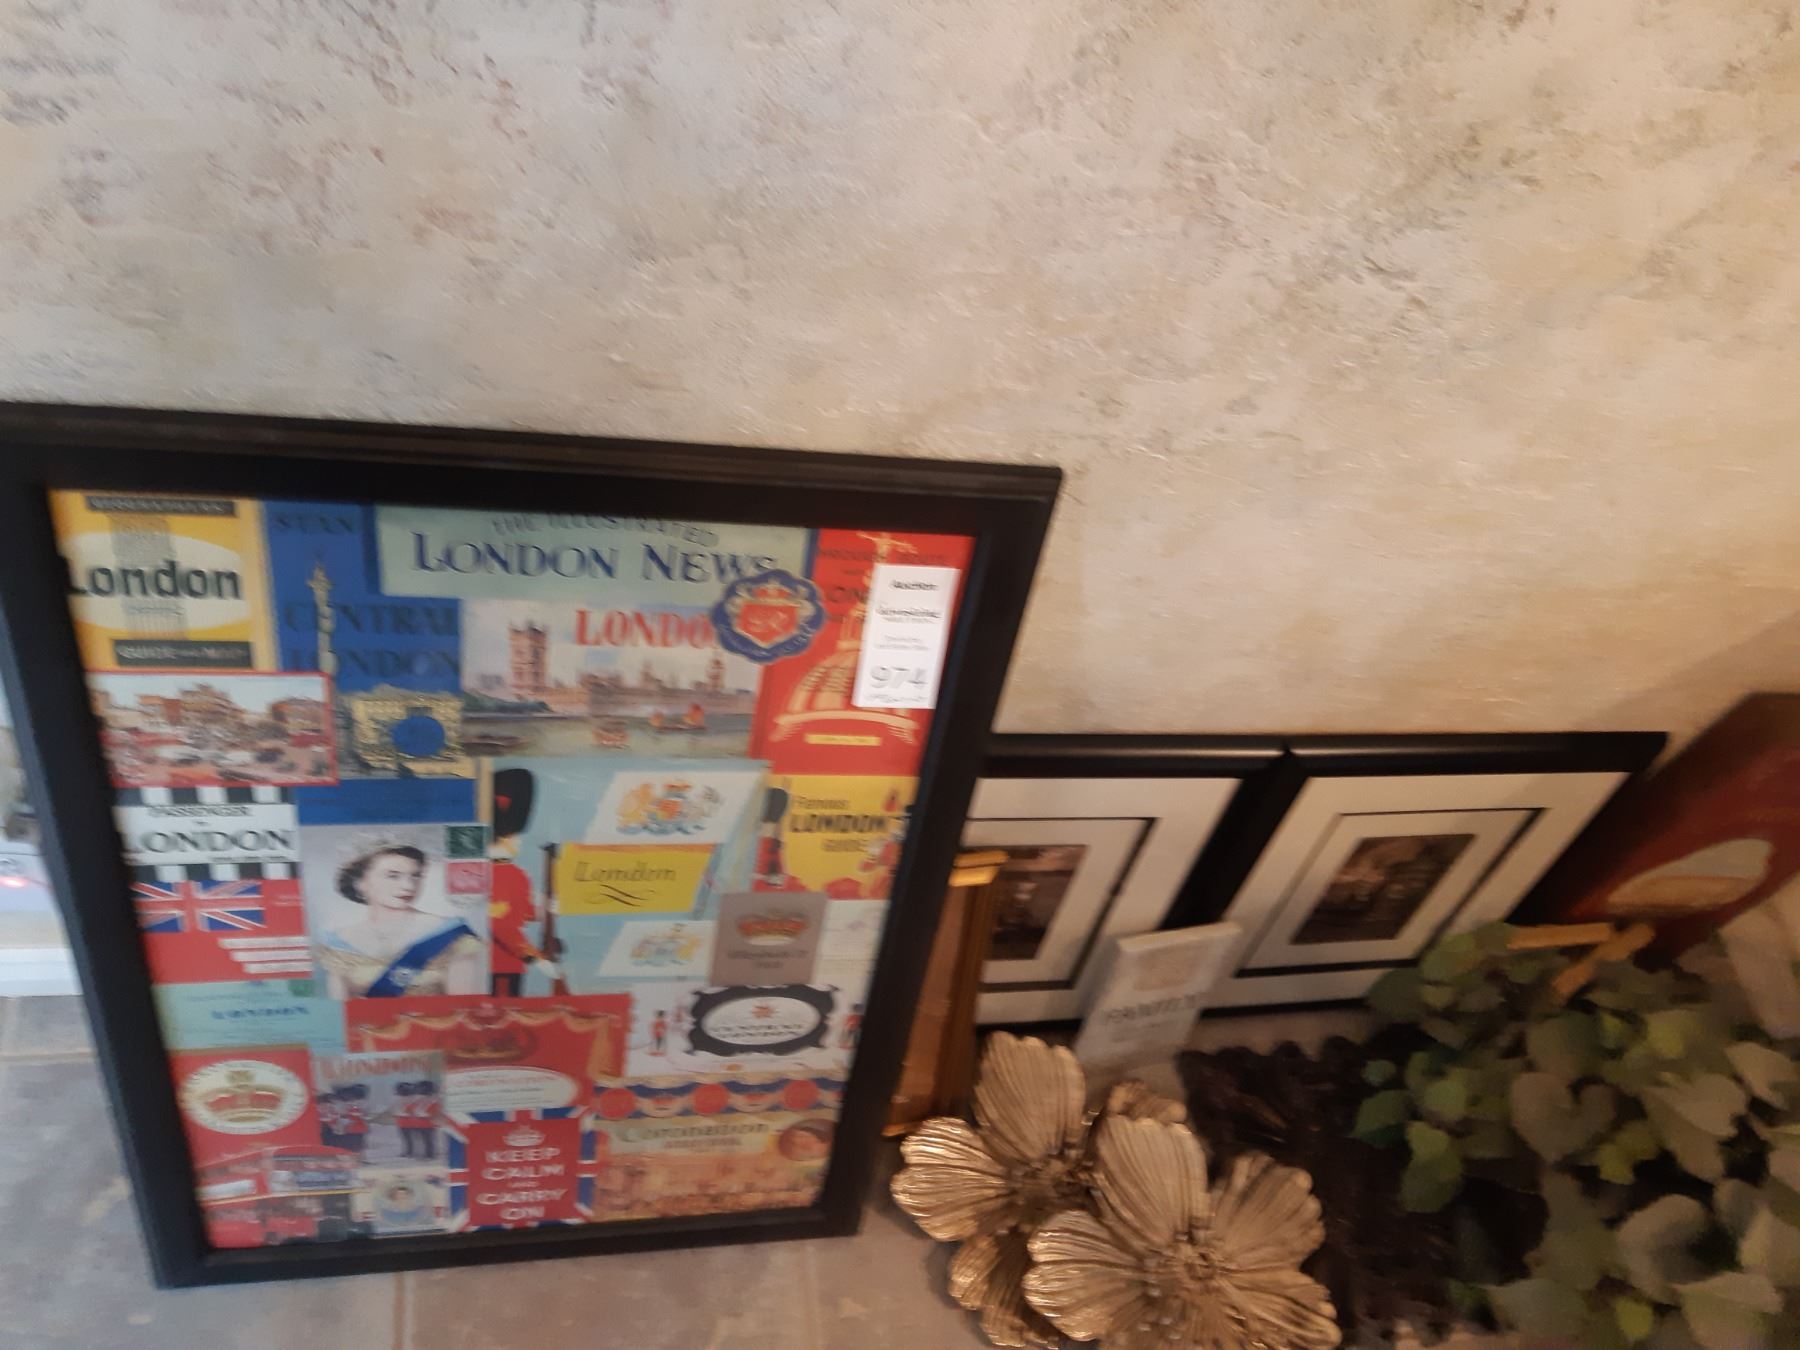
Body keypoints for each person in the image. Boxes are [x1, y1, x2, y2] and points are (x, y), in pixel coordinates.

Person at [316, 838, 484, 998]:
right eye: (393, 876)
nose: (408, 886)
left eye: (415, 876)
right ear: (360, 883)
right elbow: (339, 1011)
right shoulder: (338, 943)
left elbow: (463, 1006)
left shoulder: (451, 934)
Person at [487, 768, 560, 996]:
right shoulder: (507, 874)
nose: (518, 842)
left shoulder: (514, 873)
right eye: (512, 837)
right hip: (499, 964)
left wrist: (547, 904)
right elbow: (501, 926)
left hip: (507, 963)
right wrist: (533, 957)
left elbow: (525, 914)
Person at [396, 1080, 440, 1161]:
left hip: (425, 1122)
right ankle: (426, 1154)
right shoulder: (423, 1100)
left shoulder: (429, 1100)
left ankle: (429, 1154)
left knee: (426, 1140)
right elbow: (410, 1109)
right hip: (421, 1123)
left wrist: (417, 1113)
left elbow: (410, 1110)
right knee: (425, 1140)